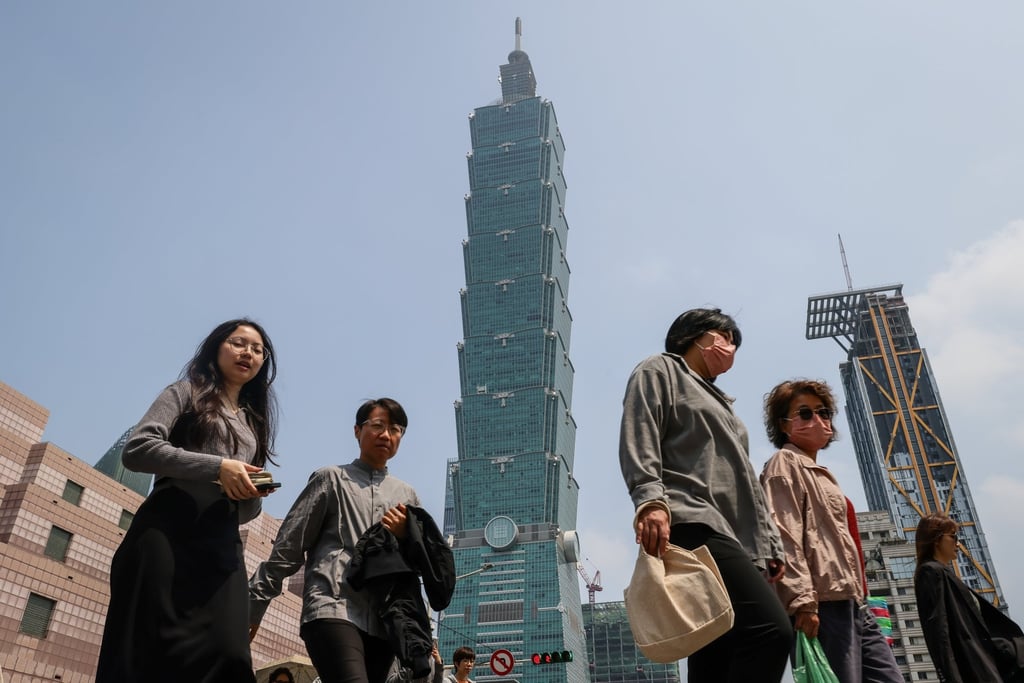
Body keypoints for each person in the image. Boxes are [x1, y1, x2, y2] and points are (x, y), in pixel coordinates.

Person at [96, 319, 279, 683]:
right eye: (239, 343)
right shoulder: (185, 392)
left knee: (231, 656)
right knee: (142, 655)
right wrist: (218, 467)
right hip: (166, 531)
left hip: (222, 547)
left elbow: (246, 509)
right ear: (216, 348)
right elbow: (139, 450)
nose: (248, 353)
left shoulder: (253, 423)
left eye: (257, 350)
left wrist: (251, 492)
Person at [618, 307, 792, 682]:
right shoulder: (660, 369)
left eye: (734, 342)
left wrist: (770, 545)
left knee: (717, 651)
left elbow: (746, 479)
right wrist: (650, 499)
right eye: (724, 337)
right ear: (694, 336)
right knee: (771, 632)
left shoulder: (724, 405)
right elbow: (640, 431)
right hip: (692, 519)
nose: (730, 347)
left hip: (737, 537)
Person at [249, 398, 444, 683]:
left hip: (383, 622)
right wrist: (255, 603)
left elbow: (418, 569)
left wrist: (406, 536)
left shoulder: (408, 496)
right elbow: (289, 546)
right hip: (332, 605)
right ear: (357, 430)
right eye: (377, 426)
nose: (386, 435)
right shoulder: (331, 479)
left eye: (396, 429)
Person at [760, 379, 902, 683]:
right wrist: (802, 602)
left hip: (853, 602)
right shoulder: (784, 463)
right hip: (822, 605)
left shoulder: (823, 474)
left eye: (822, 412)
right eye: (805, 413)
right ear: (784, 425)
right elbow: (784, 534)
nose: (818, 420)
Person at [915, 513, 1024, 682]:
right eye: (953, 536)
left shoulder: (943, 573)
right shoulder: (930, 572)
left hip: (992, 656)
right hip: (975, 664)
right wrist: (950, 677)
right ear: (936, 540)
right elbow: (939, 633)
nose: (958, 543)